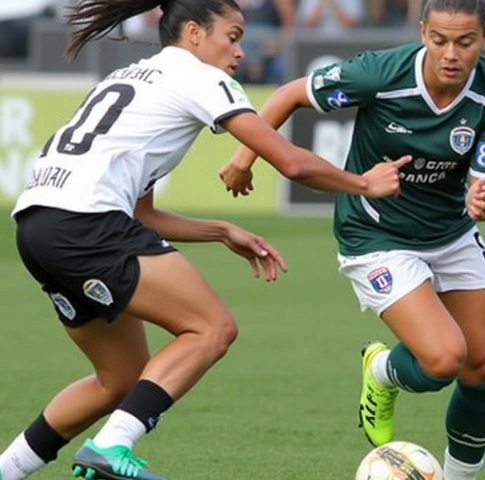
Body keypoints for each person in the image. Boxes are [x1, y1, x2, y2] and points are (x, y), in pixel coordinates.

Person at [0, 0, 412, 479]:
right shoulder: (198, 77)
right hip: (85, 223)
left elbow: (141, 215)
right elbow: (291, 162)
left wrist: (219, 230)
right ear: (194, 33)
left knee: (120, 378)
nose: (238, 51)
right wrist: (364, 183)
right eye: (231, 36)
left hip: (37, 225)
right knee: (211, 328)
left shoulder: (128, 76)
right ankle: (111, 445)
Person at [220, 0, 485, 479]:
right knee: (443, 360)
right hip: (375, 232)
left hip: (450, 232)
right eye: (439, 39)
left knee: (482, 369)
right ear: (422, 32)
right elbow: (289, 95)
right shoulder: (380, 74)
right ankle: (380, 371)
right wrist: (243, 157)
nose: (451, 54)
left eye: (465, 42)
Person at [296, 0, 365, 33]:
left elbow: (351, 24)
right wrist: (321, 4)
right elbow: (309, 24)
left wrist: (333, 4)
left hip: (345, 44)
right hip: (316, 44)